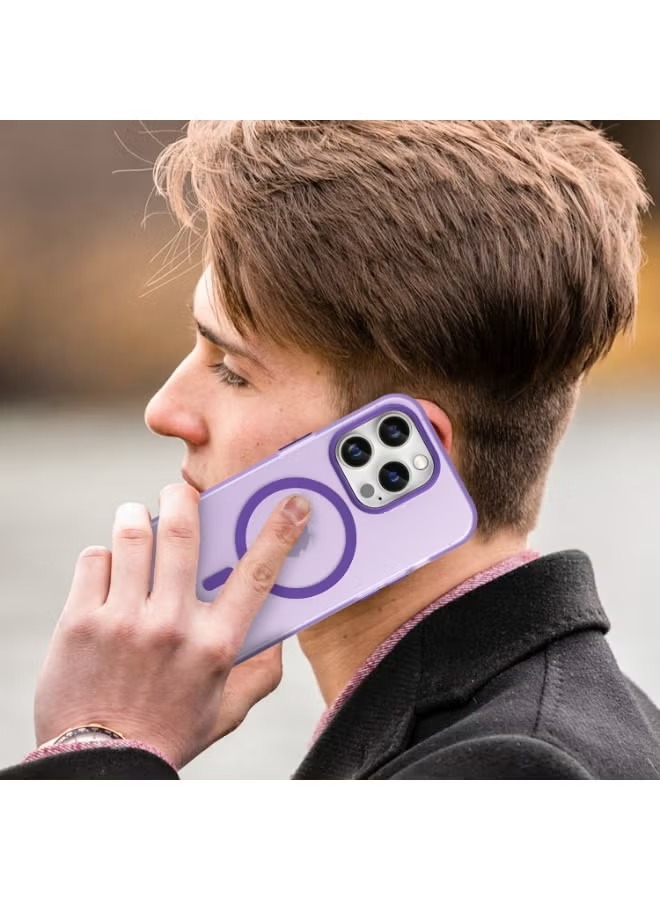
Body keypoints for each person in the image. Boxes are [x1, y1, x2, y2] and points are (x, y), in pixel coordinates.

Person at [3, 120, 660, 779]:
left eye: (232, 371)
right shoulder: (568, 726)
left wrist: (100, 742)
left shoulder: (506, 772)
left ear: (409, 461)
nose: (164, 411)